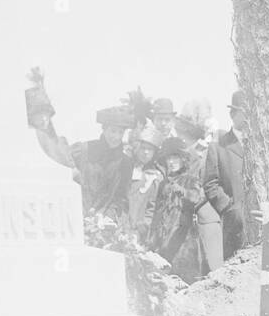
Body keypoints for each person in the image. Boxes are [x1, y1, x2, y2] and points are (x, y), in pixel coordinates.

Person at [202, 90, 250, 265]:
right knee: (234, 269)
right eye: (244, 113)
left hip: (259, 220)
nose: (248, 118)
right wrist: (229, 208)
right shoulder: (219, 146)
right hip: (234, 223)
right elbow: (210, 183)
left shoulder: (260, 145)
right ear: (232, 114)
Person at [148, 137, 206, 281]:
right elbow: (157, 213)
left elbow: (196, 197)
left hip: (183, 241)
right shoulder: (163, 184)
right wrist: (152, 238)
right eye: (169, 159)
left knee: (183, 280)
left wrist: (182, 191)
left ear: (183, 160)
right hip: (163, 240)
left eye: (175, 158)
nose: (172, 162)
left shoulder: (190, 179)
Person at [76, 106, 136, 214]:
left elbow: (121, 197)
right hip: (77, 211)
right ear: (104, 129)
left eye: (120, 132)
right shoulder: (85, 149)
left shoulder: (125, 162)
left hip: (103, 219)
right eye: (113, 131)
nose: (116, 137)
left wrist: (107, 215)